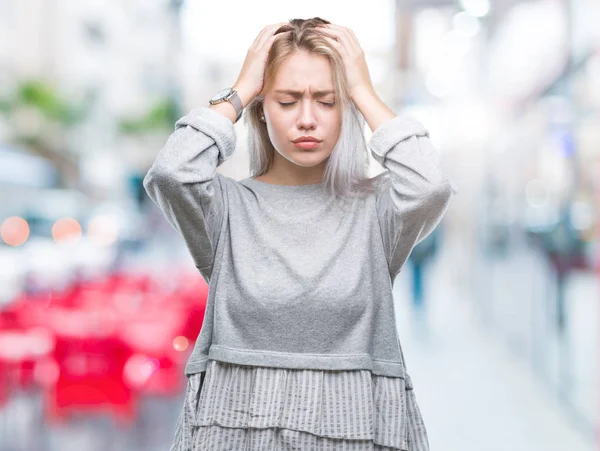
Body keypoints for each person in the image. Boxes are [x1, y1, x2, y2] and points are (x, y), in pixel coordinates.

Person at [143, 17, 456, 451]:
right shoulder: (226, 210)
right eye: (287, 100)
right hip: (233, 426)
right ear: (261, 109)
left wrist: (363, 92)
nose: (307, 119)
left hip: (358, 426)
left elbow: (430, 185)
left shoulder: (377, 210)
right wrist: (239, 90)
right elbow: (172, 173)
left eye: (327, 101)